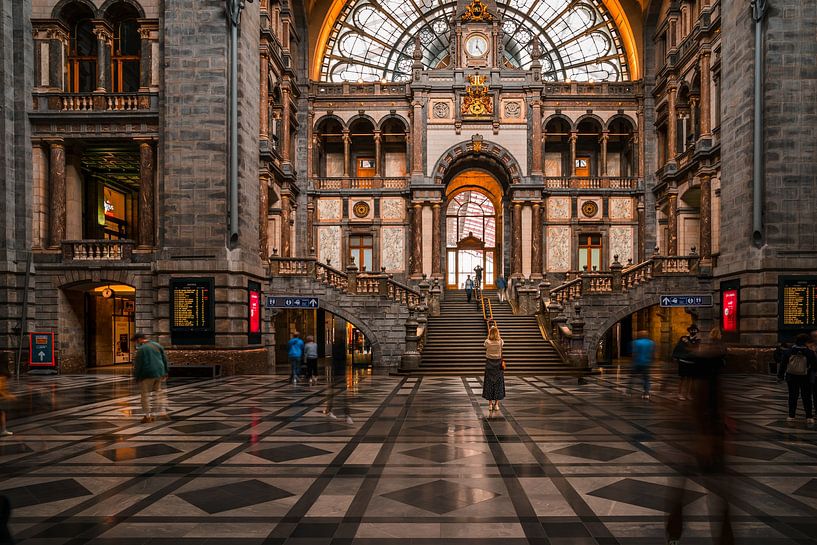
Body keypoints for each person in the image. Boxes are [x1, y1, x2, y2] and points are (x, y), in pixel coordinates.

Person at [666, 326, 733, 545]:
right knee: (718, 493)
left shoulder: (706, 386)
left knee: (688, 489)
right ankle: (720, 536)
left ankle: (675, 531)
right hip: (704, 441)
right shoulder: (709, 387)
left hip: (701, 440)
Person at [777, 333, 816, 424]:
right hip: (805, 378)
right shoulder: (809, 352)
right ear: (806, 342)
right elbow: (814, 365)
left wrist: (780, 376)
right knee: (806, 397)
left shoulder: (789, 351)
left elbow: (783, 365)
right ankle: (809, 417)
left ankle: (791, 416)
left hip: (791, 377)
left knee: (792, 396)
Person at [132, 332, 169, 423]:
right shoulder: (157, 345)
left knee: (145, 395)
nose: (136, 343)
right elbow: (164, 359)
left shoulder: (141, 349)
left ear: (139, 340)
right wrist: (166, 371)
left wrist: (137, 377)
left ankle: (147, 416)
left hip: (147, 373)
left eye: (136, 341)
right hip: (159, 372)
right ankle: (158, 412)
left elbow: (139, 365)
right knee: (158, 392)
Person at [672, 324, 701, 400]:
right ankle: (680, 393)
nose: (693, 331)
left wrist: (687, 342)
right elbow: (679, 347)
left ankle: (688, 394)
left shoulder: (697, 340)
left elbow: (693, 348)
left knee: (690, 379)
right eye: (692, 330)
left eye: (694, 330)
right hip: (683, 361)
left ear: (696, 331)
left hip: (692, 361)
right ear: (689, 330)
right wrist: (675, 357)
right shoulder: (683, 338)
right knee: (682, 378)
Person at [482, 325, 505, 411]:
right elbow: (503, 344)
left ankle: (490, 405)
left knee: (489, 384)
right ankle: (497, 405)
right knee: (498, 384)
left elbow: (484, 346)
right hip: (498, 365)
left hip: (489, 365)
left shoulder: (487, 341)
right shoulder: (500, 341)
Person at [628, 330, 656, 399]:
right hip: (646, 363)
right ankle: (646, 393)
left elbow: (634, 353)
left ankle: (629, 391)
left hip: (637, 362)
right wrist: (651, 361)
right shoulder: (651, 343)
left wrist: (632, 361)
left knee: (632, 377)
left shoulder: (635, 342)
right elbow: (653, 353)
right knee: (646, 379)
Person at [0, 368, 15, 437]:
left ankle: (3, 430)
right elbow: (1, 390)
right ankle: (3, 430)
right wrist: (9, 396)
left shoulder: (2, 378)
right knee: (2, 413)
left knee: (2, 413)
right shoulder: (2, 378)